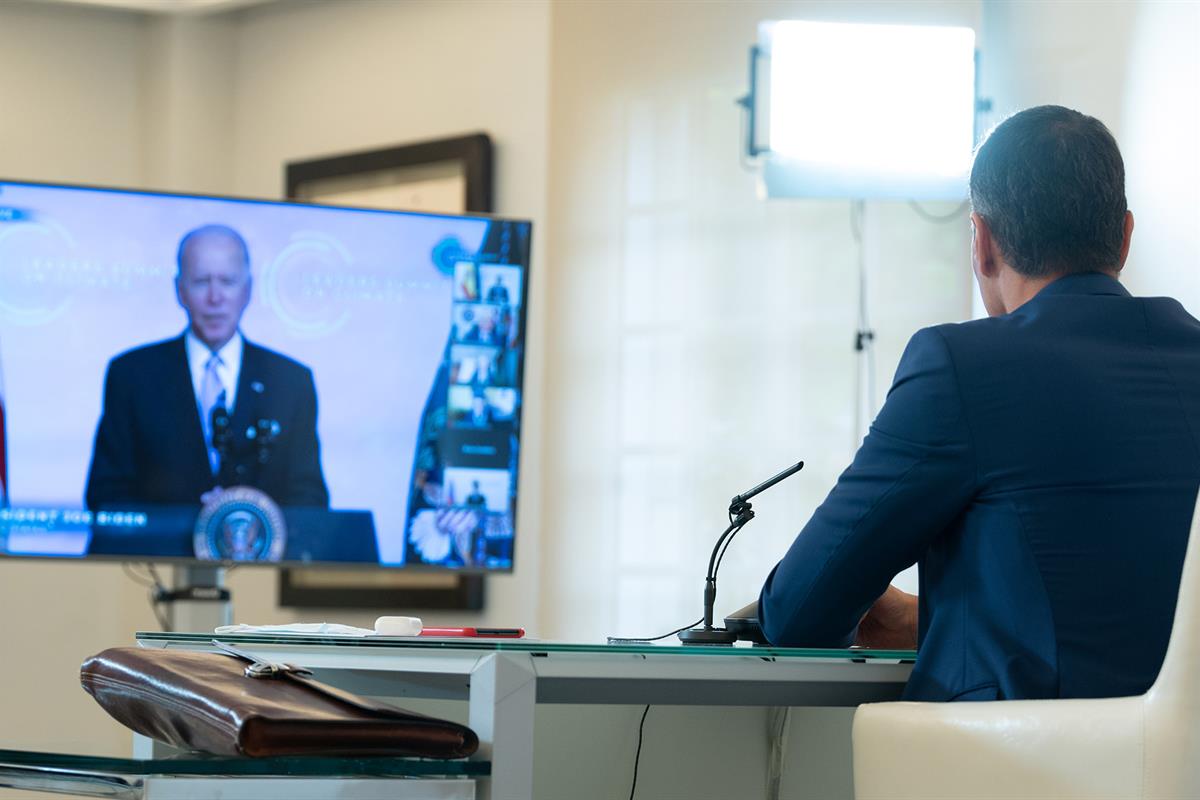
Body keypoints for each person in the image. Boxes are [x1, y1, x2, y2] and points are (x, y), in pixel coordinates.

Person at [758, 105, 1200, 702]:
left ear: (983, 243)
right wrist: (931, 618)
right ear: (1124, 237)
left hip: (1015, 772)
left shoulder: (959, 367)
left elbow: (799, 615)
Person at [85, 224, 329, 509]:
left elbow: (310, 499)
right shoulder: (131, 375)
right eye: (201, 281)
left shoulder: (291, 381)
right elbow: (107, 496)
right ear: (179, 291)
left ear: (248, 290)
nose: (215, 298)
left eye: (227, 281)